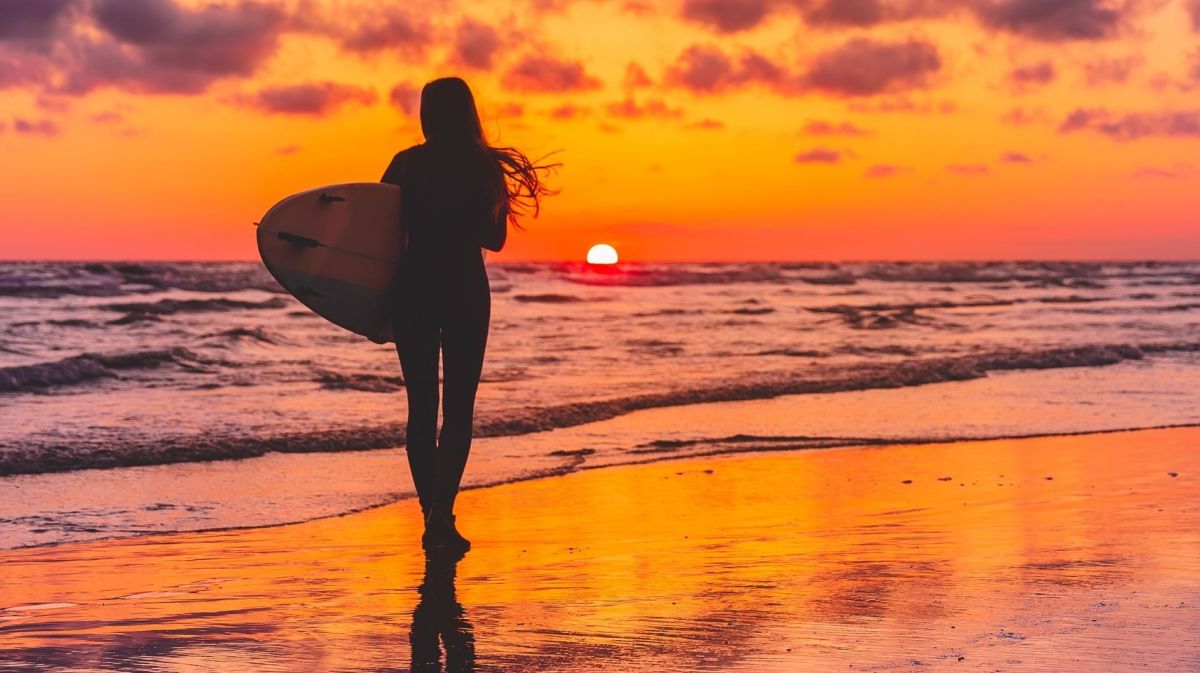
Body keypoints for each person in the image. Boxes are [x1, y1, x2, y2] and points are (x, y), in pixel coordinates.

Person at [381, 77, 554, 554]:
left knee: (421, 410)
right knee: (458, 411)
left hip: (412, 289)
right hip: (463, 290)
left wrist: (369, 304)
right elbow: (495, 239)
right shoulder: (482, 168)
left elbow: (377, 238)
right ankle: (442, 516)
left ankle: (431, 517)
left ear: (427, 113)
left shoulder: (405, 163)